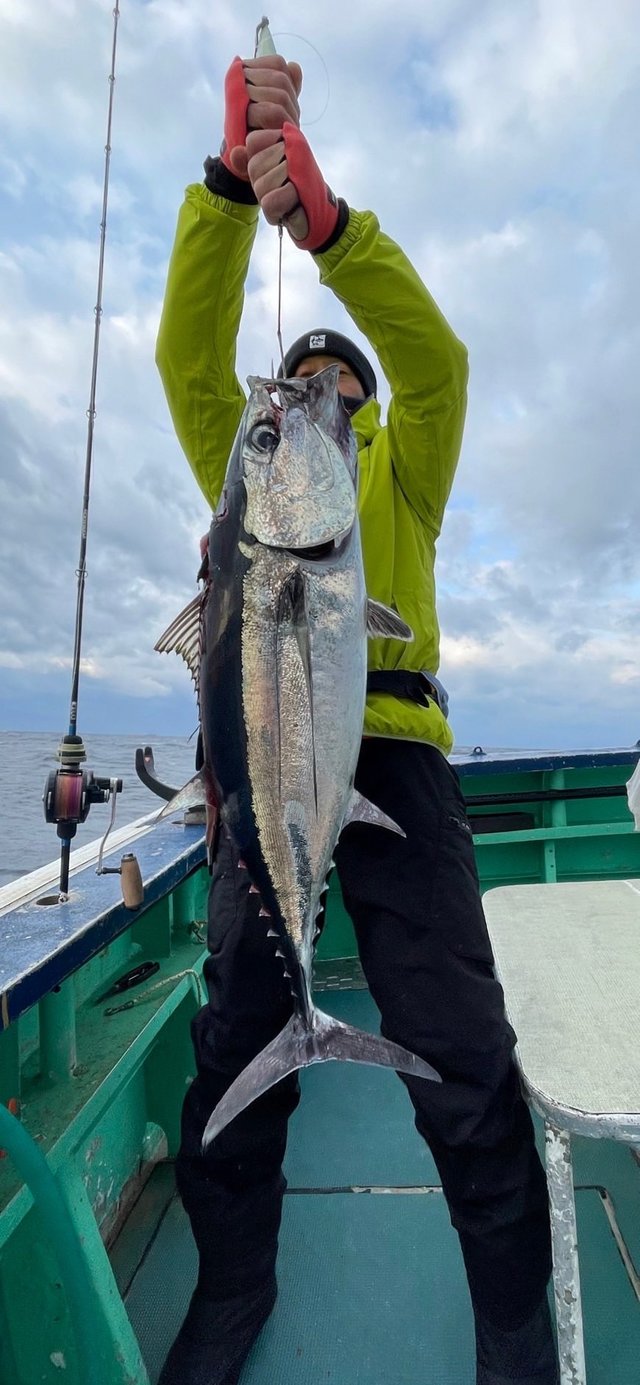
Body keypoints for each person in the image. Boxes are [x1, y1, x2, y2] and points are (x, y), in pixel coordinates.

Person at [155, 52, 558, 1385]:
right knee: (230, 1041)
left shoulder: (406, 472)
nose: (317, 392)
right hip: (268, 756)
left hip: (399, 769)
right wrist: (226, 192)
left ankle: (512, 1323)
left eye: (341, 386)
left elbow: (436, 357)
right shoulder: (249, 469)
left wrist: (326, 228)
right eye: (297, 386)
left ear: (367, 415)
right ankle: (234, 1286)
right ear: (264, 431)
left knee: (461, 1044)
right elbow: (186, 356)